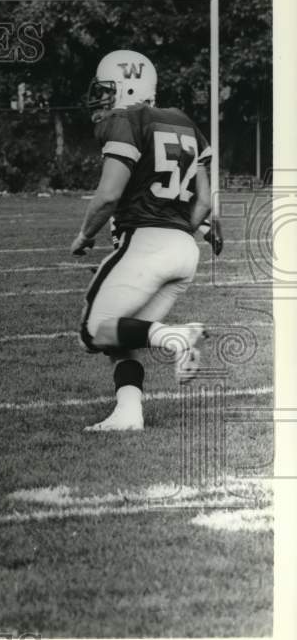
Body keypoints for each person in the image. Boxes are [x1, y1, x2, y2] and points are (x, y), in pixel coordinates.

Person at [72, 50, 219, 432]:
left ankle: (176, 336)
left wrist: (85, 235)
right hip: (184, 250)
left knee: (93, 330)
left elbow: (108, 195)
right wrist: (194, 229)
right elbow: (204, 202)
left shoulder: (126, 120)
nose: (101, 99)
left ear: (127, 87)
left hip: (145, 243)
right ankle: (128, 412)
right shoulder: (184, 121)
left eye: (107, 90)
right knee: (121, 331)